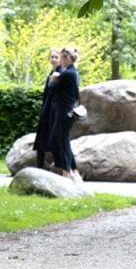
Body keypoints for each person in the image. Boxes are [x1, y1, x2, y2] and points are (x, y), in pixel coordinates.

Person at [51, 46, 81, 179]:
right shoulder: (74, 73)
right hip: (68, 111)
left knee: (62, 142)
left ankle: (66, 171)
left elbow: (52, 88)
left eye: (62, 57)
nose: (60, 61)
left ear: (67, 58)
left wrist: (54, 77)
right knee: (64, 141)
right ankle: (73, 170)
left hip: (64, 112)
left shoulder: (67, 73)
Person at [33, 48, 62, 169]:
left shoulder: (62, 73)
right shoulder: (51, 73)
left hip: (55, 110)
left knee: (53, 138)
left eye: (56, 57)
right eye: (52, 57)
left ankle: (58, 167)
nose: (54, 59)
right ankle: (39, 166)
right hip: (47, 109)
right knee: (42, 137)